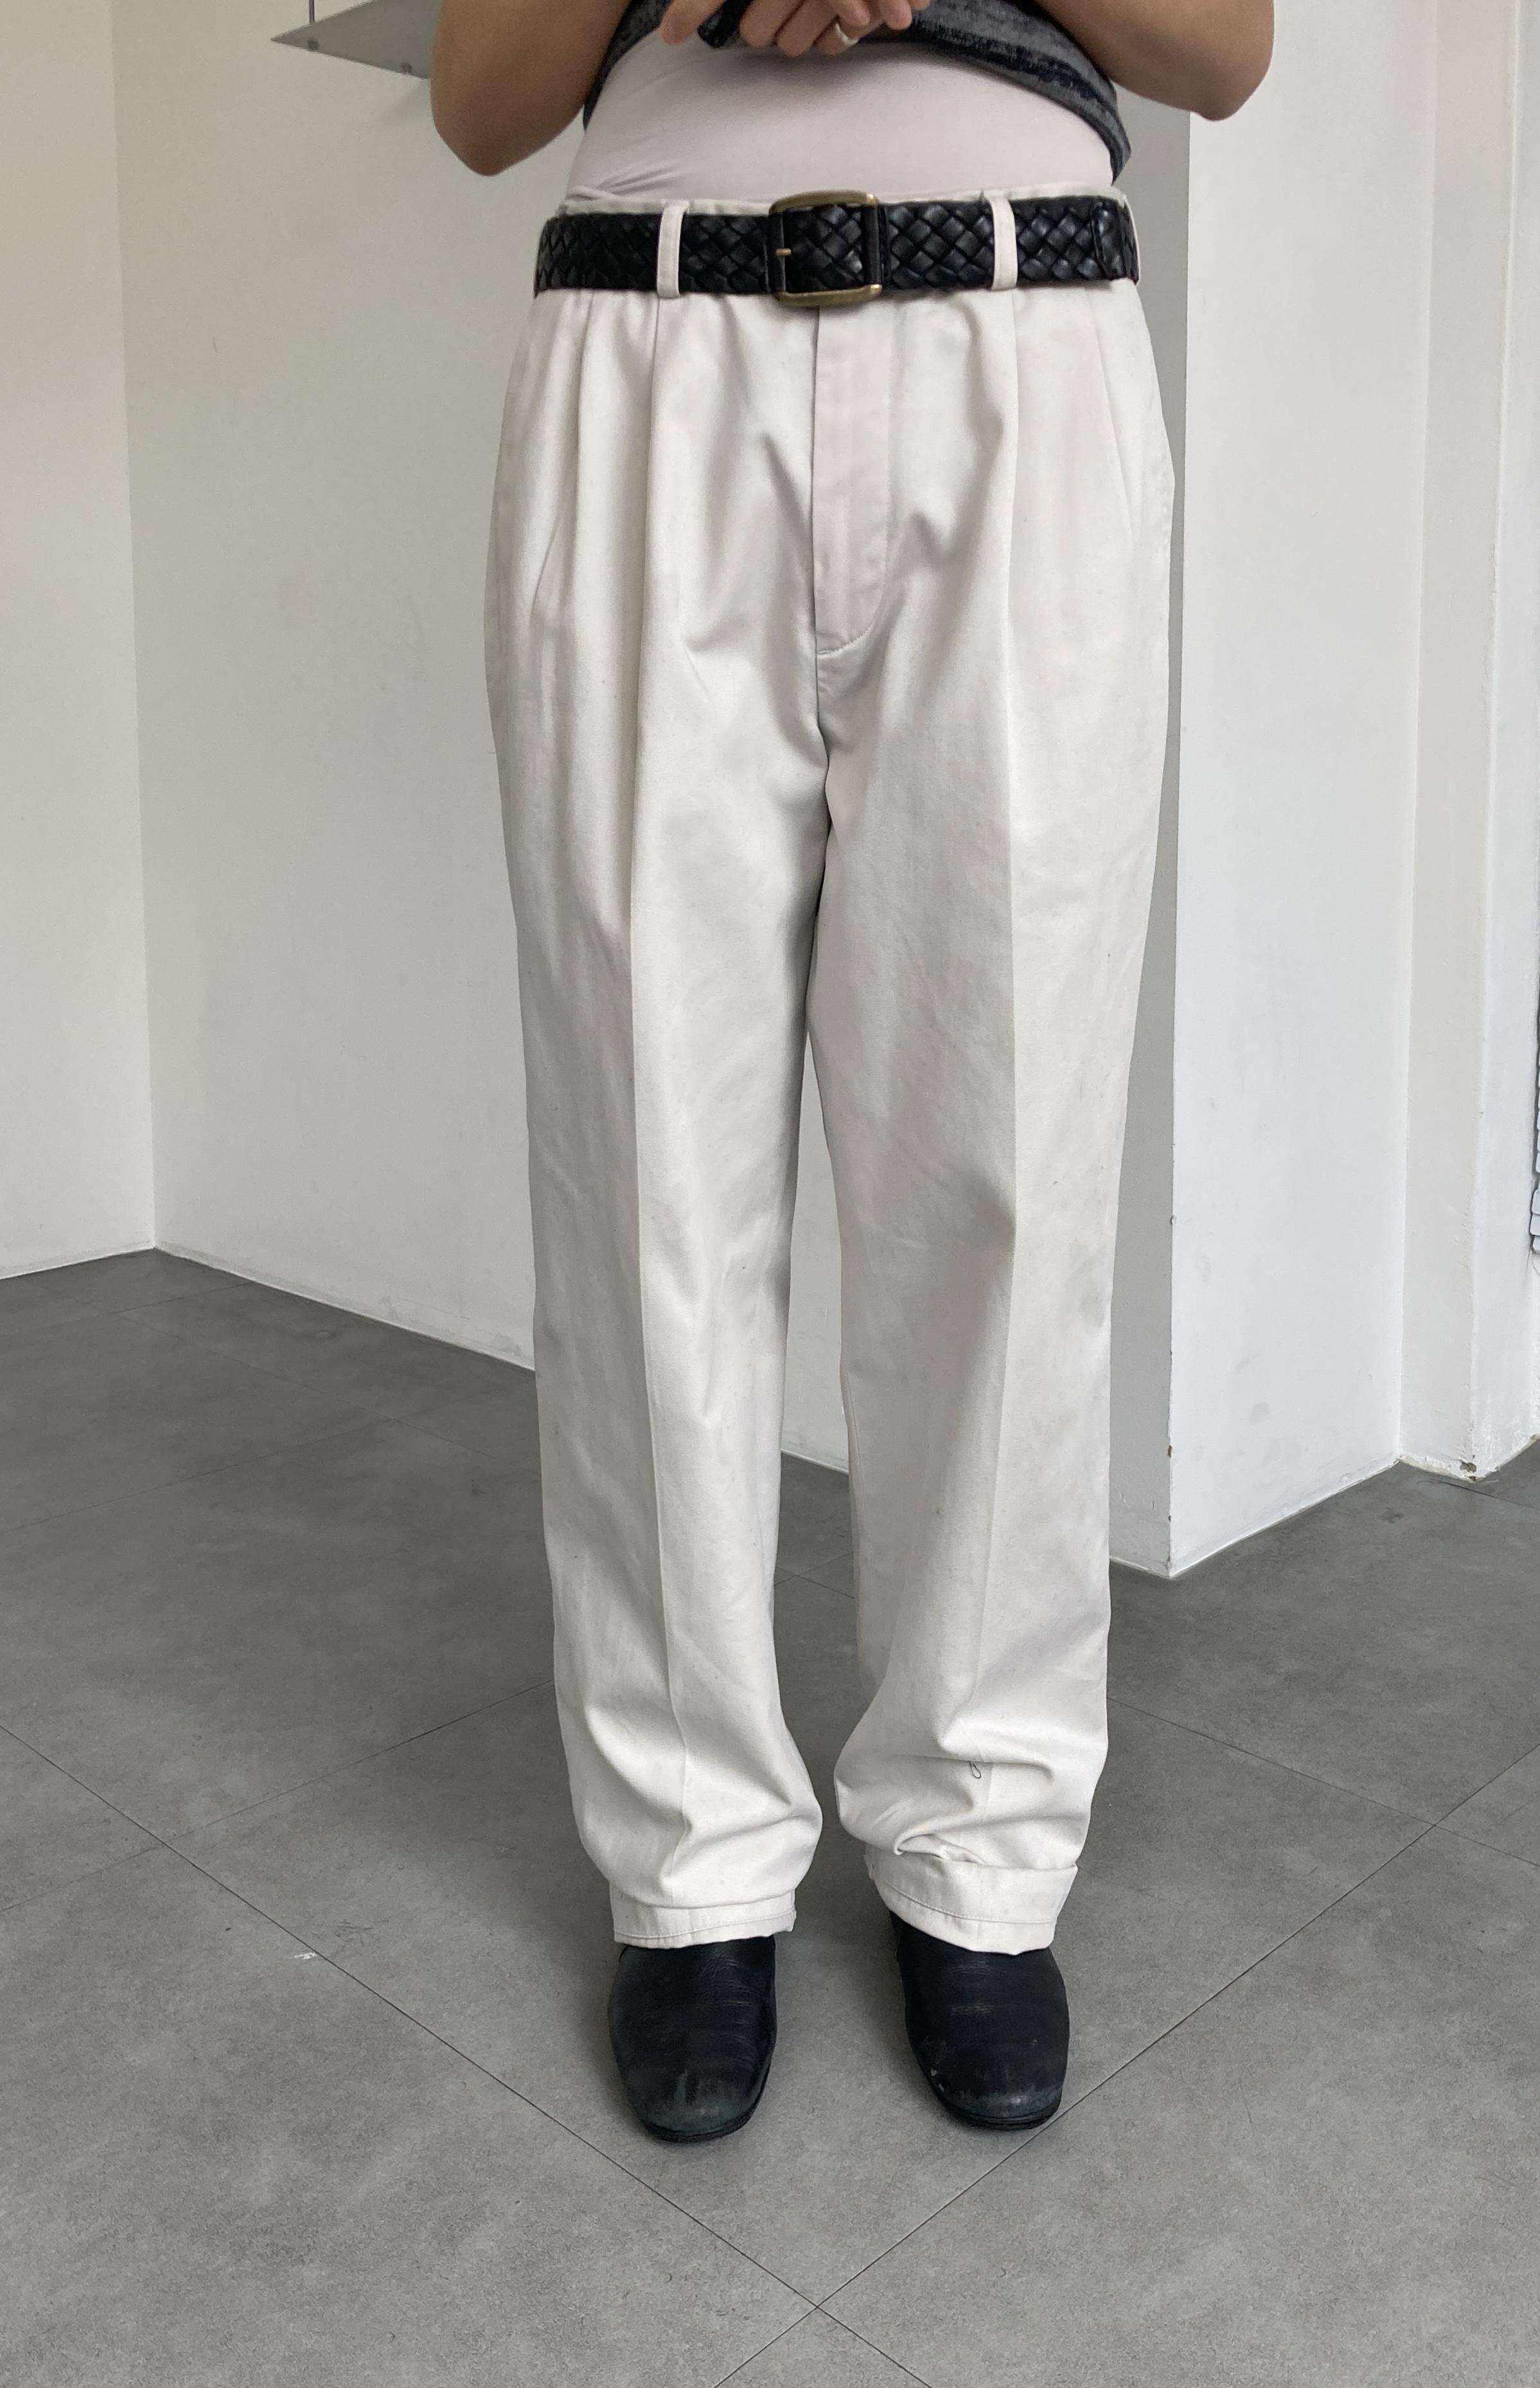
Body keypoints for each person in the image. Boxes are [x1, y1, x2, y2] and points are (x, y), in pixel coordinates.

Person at [432, 0, 1271, 2145]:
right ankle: (691, 1861)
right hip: (651, 357)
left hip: (1023, 348)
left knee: (1005, 1167)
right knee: (643, 1171)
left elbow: (1225, 46)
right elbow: (480, 102)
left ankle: (978, 1845)